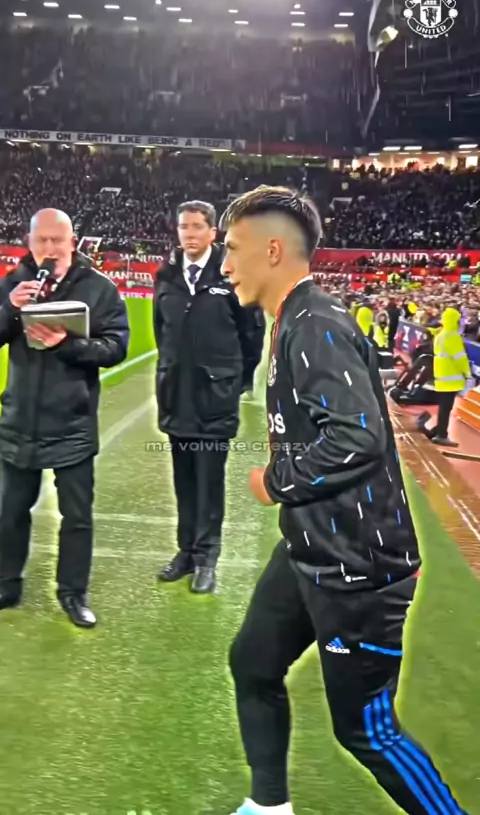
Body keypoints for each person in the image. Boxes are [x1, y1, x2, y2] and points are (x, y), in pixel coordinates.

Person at [218, 186, 467, 815]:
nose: (225, 264)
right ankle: (269, 806)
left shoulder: (316, 326)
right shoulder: (296, 320)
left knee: (367, 732)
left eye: (233, 249)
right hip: (312, 547)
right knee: (254, 662)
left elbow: (357, 436)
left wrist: (275, 481)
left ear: (273, 251)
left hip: (359, 568)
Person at [0, 208, 129, 628]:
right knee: (9, 511)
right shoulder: (14, 283)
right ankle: (6, 583)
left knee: (76, 517)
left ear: (72, 242)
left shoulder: (99, 288)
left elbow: (115, 348)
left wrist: (66, 344)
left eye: (58, 240)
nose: (50, 248)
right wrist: (10, 310)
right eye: (42, 240)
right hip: (20, 419)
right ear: (30, 242)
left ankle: (73, 593)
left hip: (72, 423)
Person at [154, 200, 265, 595]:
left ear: (212, 232)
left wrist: (233, 382)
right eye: (184, 227)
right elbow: (162, 332)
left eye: (197, 227)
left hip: (215, 398)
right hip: (177, 396)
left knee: (209, 482)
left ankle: (207, 558)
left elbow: (252, 336)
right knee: (184, 481)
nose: (189, 234)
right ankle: (186, 552)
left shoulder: (231, 272)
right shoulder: (166, 274)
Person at [417, 307, 471, 448]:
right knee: (446, 408)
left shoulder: (441, 335)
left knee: (443, 407)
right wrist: (467, 373)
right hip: (452, 377)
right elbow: (460, 358)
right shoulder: (453, 337)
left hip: (442, 376)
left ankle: (439, 432)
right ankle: (441, 435)